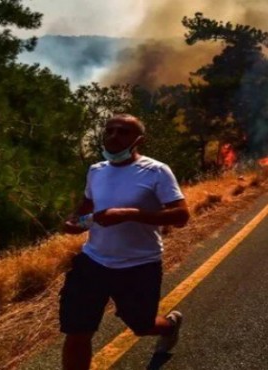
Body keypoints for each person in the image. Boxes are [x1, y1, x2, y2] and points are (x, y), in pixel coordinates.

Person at [61, 114, 190, 370]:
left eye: (123, 132)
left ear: (139, 140)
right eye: (109, 131)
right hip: (93, 262)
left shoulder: (157, 171)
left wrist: (130, 214)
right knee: (77, 332)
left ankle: (170, 325)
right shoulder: (96, 170)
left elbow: (181, 216)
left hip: (139, 265)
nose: (114, 136)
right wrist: (75, 220)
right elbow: (87, 204)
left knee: (141, 326)